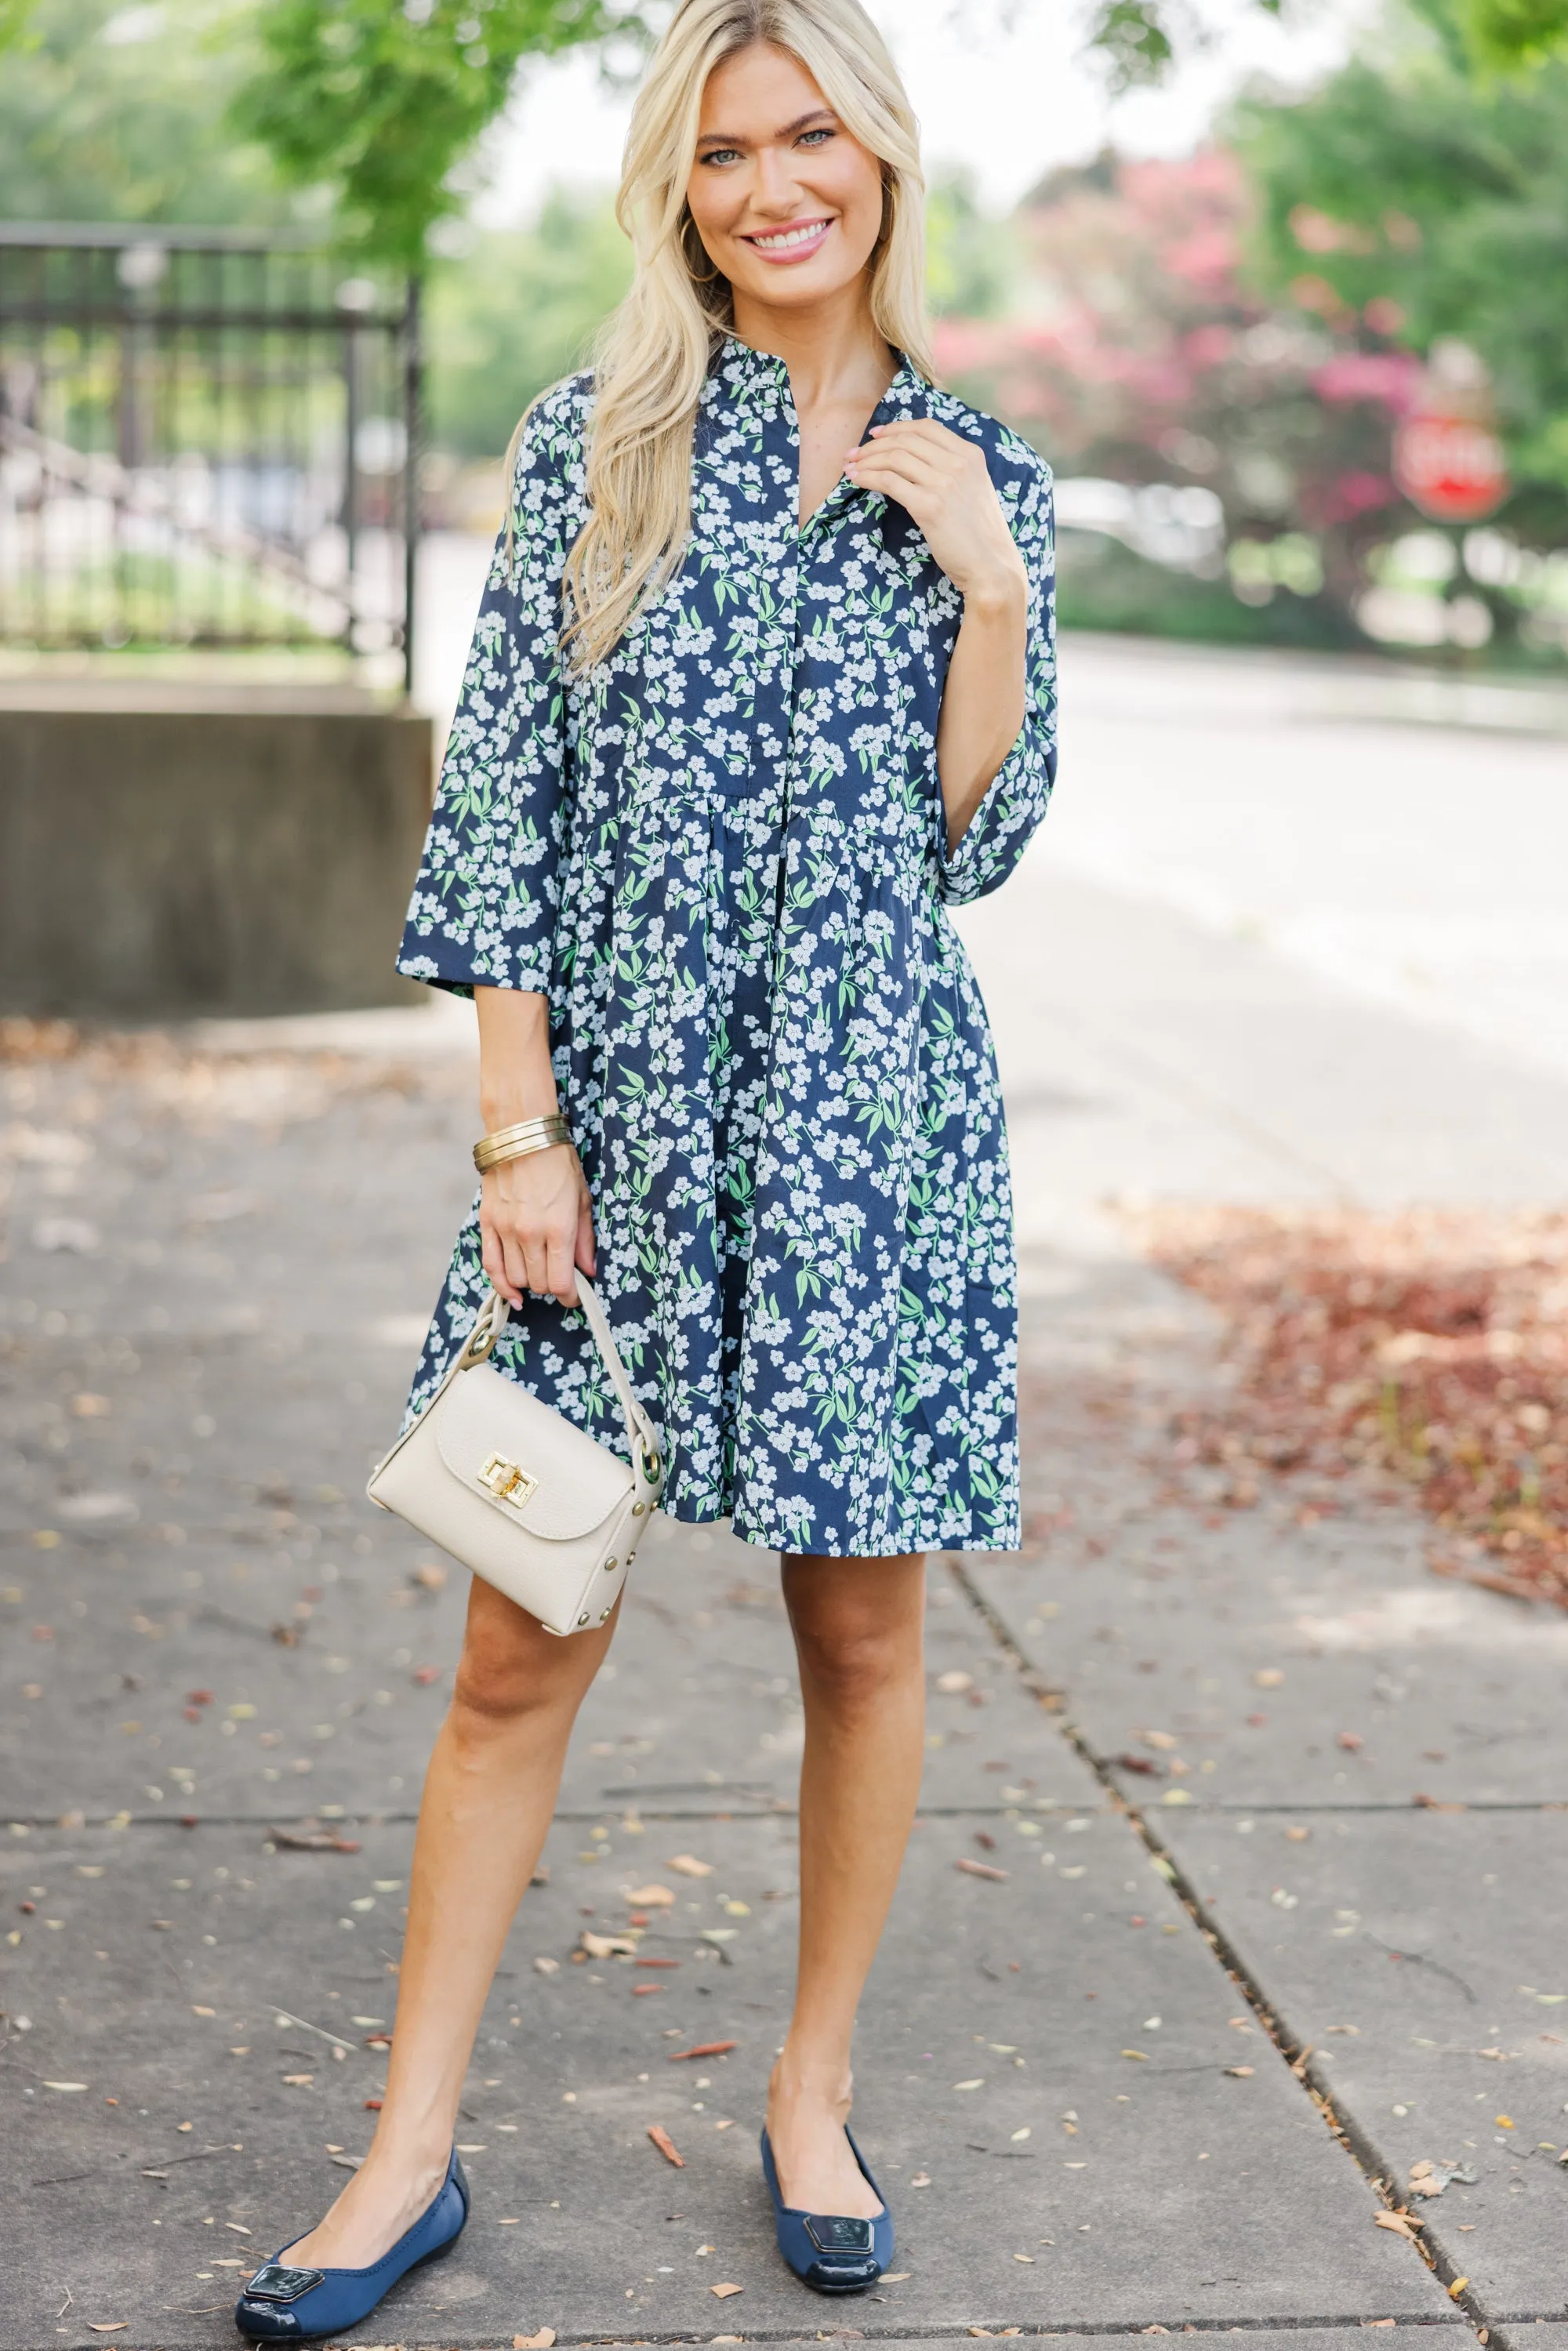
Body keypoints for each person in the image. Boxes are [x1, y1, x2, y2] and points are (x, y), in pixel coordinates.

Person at [234, 0, 1054, 2335]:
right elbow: (499, 813)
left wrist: (986, 579)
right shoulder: (595, 444)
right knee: (518, 1637)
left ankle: (812, 2086)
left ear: (883, 160)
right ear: (678, 188)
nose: (770, 184)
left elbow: (967, 844)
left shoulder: (981, 464)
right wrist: (519, 1127)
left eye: (811, 137)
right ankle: (404, 2153)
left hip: (866, 1134)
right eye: (724, 151)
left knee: (863, 1625)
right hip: (606, 1142)